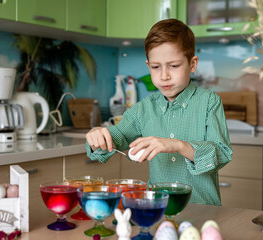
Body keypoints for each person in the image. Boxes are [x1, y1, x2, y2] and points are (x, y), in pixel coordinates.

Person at [85, 18, 232, 205]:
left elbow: (221, 153)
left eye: (174, 66)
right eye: (156, 67)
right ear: (148, 66)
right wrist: (97, 135)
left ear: (192, 64)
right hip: (157, 211)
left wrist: (178, 145)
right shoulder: (143, 109)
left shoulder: (209, 102)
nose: (164, 76)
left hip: (203, 211)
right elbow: (115, 137)